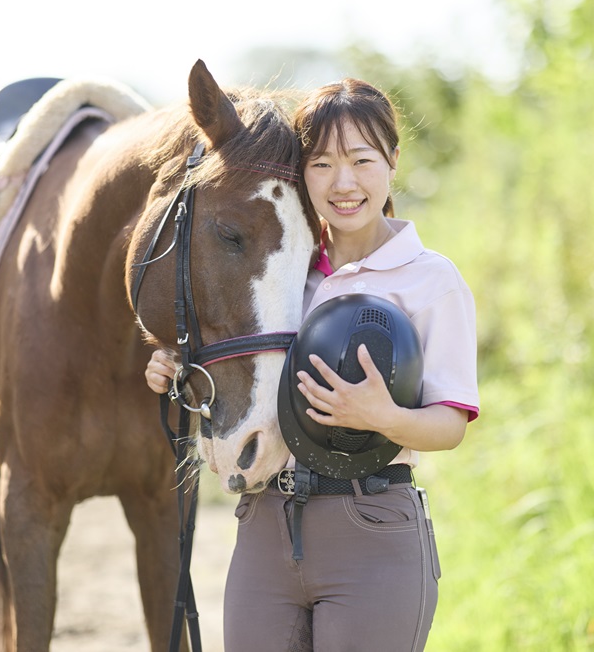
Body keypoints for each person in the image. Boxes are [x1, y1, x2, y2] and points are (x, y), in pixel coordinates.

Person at [144, 77, 479, 651]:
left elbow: (450, 425)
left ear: (393, 161)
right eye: (321, 164)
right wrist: (180, 370)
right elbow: (246, 372)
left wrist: (382, 416)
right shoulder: (283, 270)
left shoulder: (431, 279)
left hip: (371, 532)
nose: (343, 183)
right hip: (264, 527)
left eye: (362, 160)